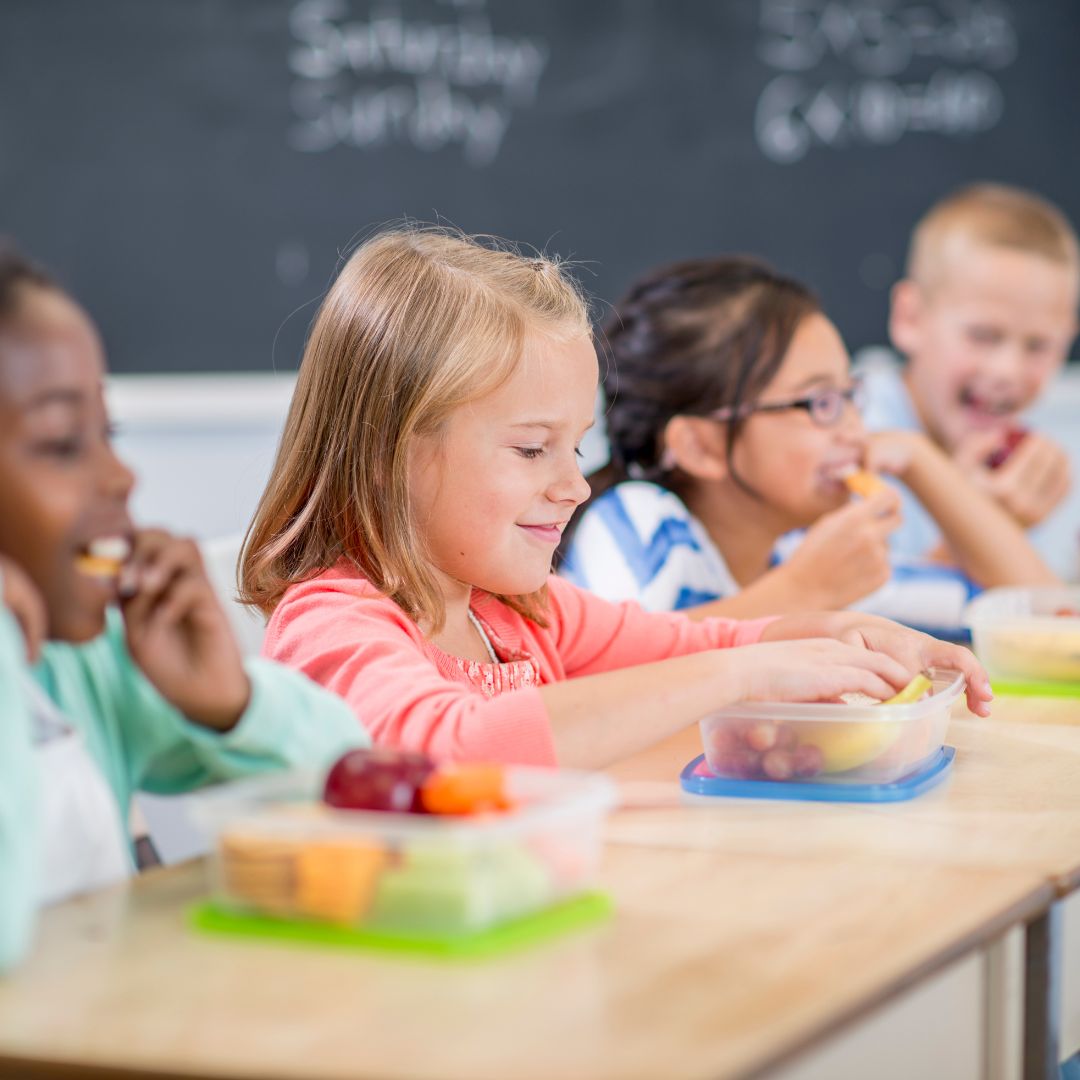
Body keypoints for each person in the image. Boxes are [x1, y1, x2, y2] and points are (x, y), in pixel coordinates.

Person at [239, 227, 990, 771]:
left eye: (575, 446)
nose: (572, 486)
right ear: (386, 457)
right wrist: (743, 677)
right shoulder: (332, 622)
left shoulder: (519, 613)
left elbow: (700, 643)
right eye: (532, 449)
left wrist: (844, 631)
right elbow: (453, 753)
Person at [0, 248, 369, 974]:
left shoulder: (90, 662)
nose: (120, 474)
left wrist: (231, 704)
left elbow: (347, 784)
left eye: (111, 435)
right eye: (62, 443)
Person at [560, 257, 1056, 630]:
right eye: (819, 403)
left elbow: (1041, 614)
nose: (854, 431)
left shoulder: (792, 551)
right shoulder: (636, 518)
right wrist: (806, 591)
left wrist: (923, 462)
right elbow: (627, 673)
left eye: (850, 395)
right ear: (701, 447)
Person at [858, 183, 1080, 578]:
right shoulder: (857, 436)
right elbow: (866, 614)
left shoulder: (1034, 463)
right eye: (983, 336)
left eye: (1039, 345)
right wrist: (980, 527)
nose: (1008, 370)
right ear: (910, 318)